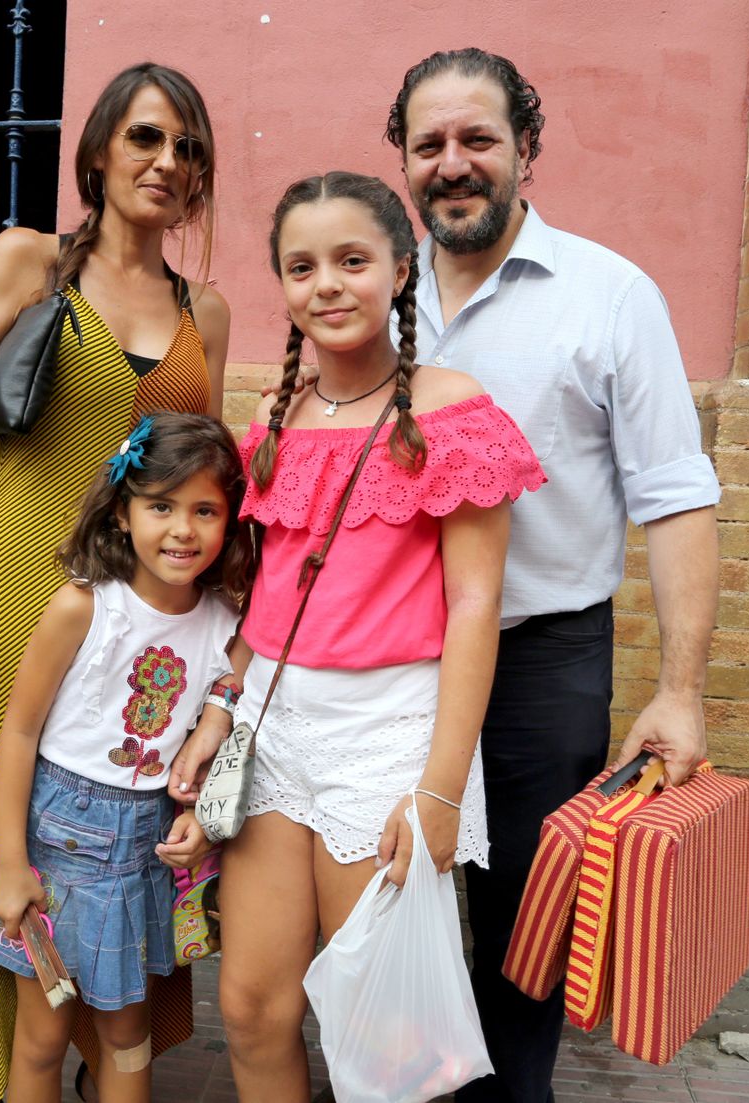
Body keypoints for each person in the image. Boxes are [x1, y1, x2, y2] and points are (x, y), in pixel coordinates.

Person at [0, 62, 229, 1103]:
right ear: (100, 149)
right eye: (148, 138)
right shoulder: (29, 259)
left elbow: (203, 469)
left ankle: (73, 1046)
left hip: (142, 624)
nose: (168, 162)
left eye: (188, 148)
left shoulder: (209, 306)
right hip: (24, 584)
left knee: (111, 828)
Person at [384, 48, 722, 1102]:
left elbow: (673, 495)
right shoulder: (374, 288)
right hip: (393, 659)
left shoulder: (610, 296)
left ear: (527, 148)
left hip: (544, 657)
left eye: (476, 139)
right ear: (401, 158)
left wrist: (680, 687)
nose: (453, 164)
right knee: (391, 895)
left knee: (524, 917)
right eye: (428, 144)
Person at [169, 171, 544, 1102]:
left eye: (351, 260)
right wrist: (221, 709)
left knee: (383, 1036)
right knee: (253, 1008)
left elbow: (472, 609)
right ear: (284, 287)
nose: (327, 284)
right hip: (275, 731)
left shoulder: (452, 412)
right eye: (302, 267)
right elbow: (267, 599)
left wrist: (441, 790)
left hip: (390, 738)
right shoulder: (270, 419)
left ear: (400, 269)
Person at [0, 412, 247, 1103]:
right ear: (123, 512)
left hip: (148, 845)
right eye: (161, 505)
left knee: (128, 1039)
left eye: (205, 509)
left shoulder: (224, 619)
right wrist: (11, 863)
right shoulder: (83, 606)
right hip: (60, 843)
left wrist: (197, 810)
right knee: (40, 1038)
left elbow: (233, 682)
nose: (182, 529)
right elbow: (18, 732)